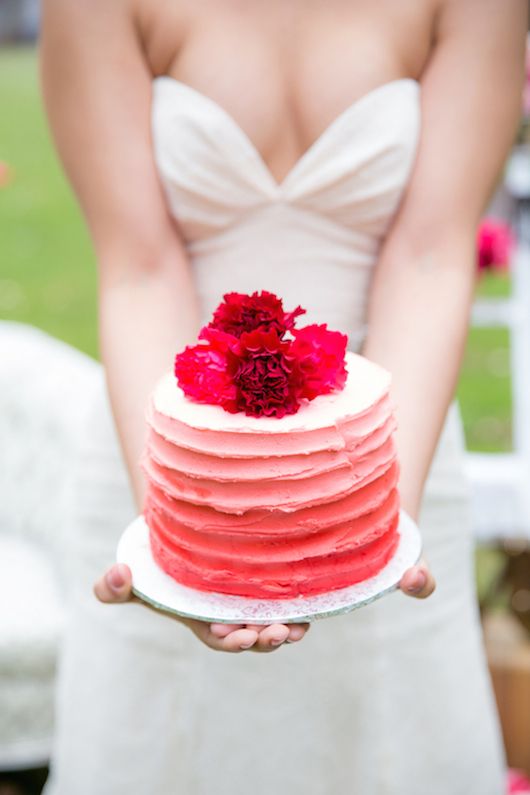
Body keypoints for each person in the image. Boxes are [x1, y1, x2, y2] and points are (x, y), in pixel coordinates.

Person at [40, 0, 526, 792]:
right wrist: (184, 542)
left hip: (394, 447)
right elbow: (139, 266)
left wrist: (361, 523)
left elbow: (434, 254)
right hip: (162, 456)